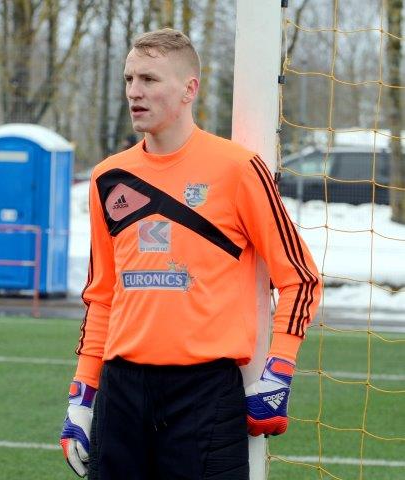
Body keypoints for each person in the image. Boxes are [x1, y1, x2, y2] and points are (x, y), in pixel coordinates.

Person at [60, 28, 322, 479]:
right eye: (129, 79)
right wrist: (82, 397)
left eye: (149, 79)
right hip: (121, 395)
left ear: (189, 89)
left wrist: (279, 370)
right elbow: (101, 296)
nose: (134, 91)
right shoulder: (108, 177)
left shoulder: (238, 169)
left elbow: (300, 278)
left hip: (204, 395)